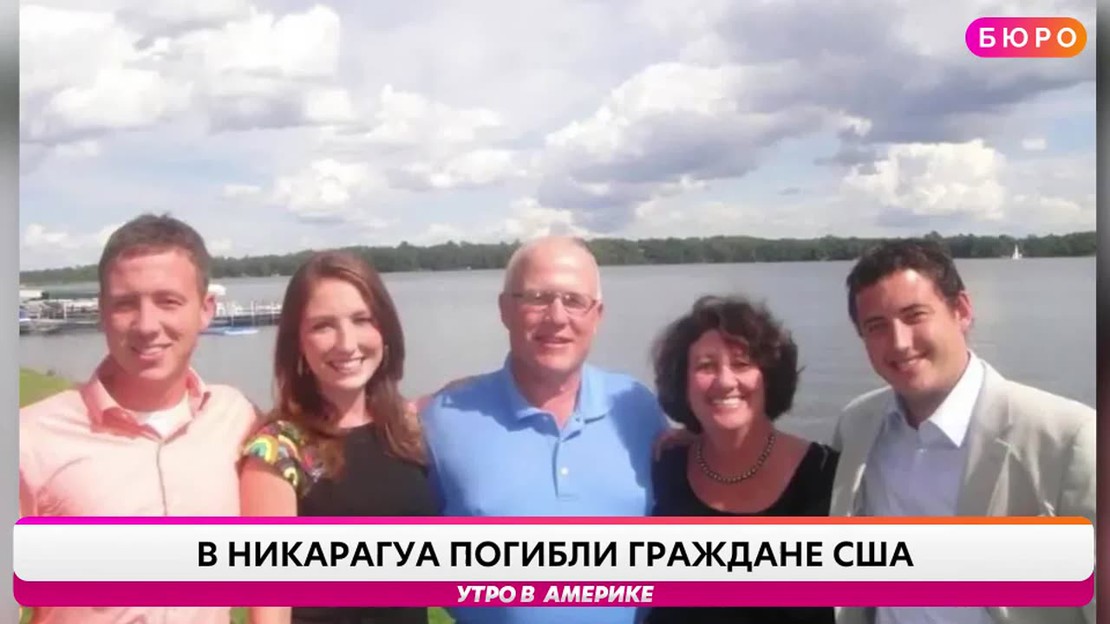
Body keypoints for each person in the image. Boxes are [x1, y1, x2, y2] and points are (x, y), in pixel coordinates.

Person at [829, 239, 1096, 624]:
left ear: (962, 310)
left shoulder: (1069, 439)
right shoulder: (857, 425)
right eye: (877, 326)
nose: (899, 343)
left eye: (915, 315)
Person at [19, 213, 260, 624]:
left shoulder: (235, 418)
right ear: (102, 312)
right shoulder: (30, 439)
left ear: (206, 310)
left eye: (168, 301)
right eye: (126, 304)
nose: (147, 326)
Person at [419, 236, 671, 624]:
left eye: (574, 300)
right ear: (505, 309)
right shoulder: (445, 419)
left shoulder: (636, 407)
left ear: (597, 315)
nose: (556, 316)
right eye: (537, 298)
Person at [239, 250, 437, 624]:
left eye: (362, 320)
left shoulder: (405, 430)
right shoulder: (278, 452)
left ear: (385, 330)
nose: (346, 343)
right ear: (297, 342)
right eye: (323, 326)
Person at [647, 295, 838, 624]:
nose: (725, 381)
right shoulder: (666, 467)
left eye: (741, 363)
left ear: (769, 375)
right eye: (706, 366)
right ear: (683, 382)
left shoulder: (828, 479)